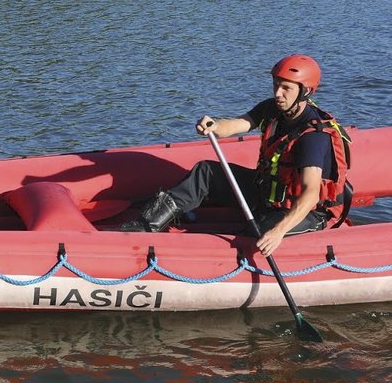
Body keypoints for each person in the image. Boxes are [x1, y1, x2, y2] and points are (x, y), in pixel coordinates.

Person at [115, 54, 351, 256]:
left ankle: (208, 257)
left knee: (257, 232)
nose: (278, 93)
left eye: (286, 88)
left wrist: (278, 231)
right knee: (206, 172)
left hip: (305, 212)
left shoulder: (313, 137)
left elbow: (310, 195)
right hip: (266, 194)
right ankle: (146, 225)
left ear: (305, 92)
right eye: (276, 85)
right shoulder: (272, 108)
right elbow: (240, 123)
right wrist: (214, 125)